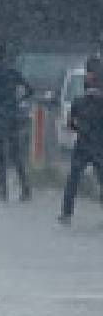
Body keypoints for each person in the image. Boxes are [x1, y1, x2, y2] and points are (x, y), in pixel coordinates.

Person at [58, 56, 103, 225]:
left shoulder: (79, 101)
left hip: (83, 144)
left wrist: (81, 129)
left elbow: (70, 124)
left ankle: (66, 213)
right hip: (99, 145)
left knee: (73, 179)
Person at [0, 47, 33, 202]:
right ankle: (25, 188)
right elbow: (30, 90)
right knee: (16, 154)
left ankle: (4, 191)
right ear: (5, 58)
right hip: (12, 116)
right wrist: (18, 101)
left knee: (0, 156)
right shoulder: (13, 72)